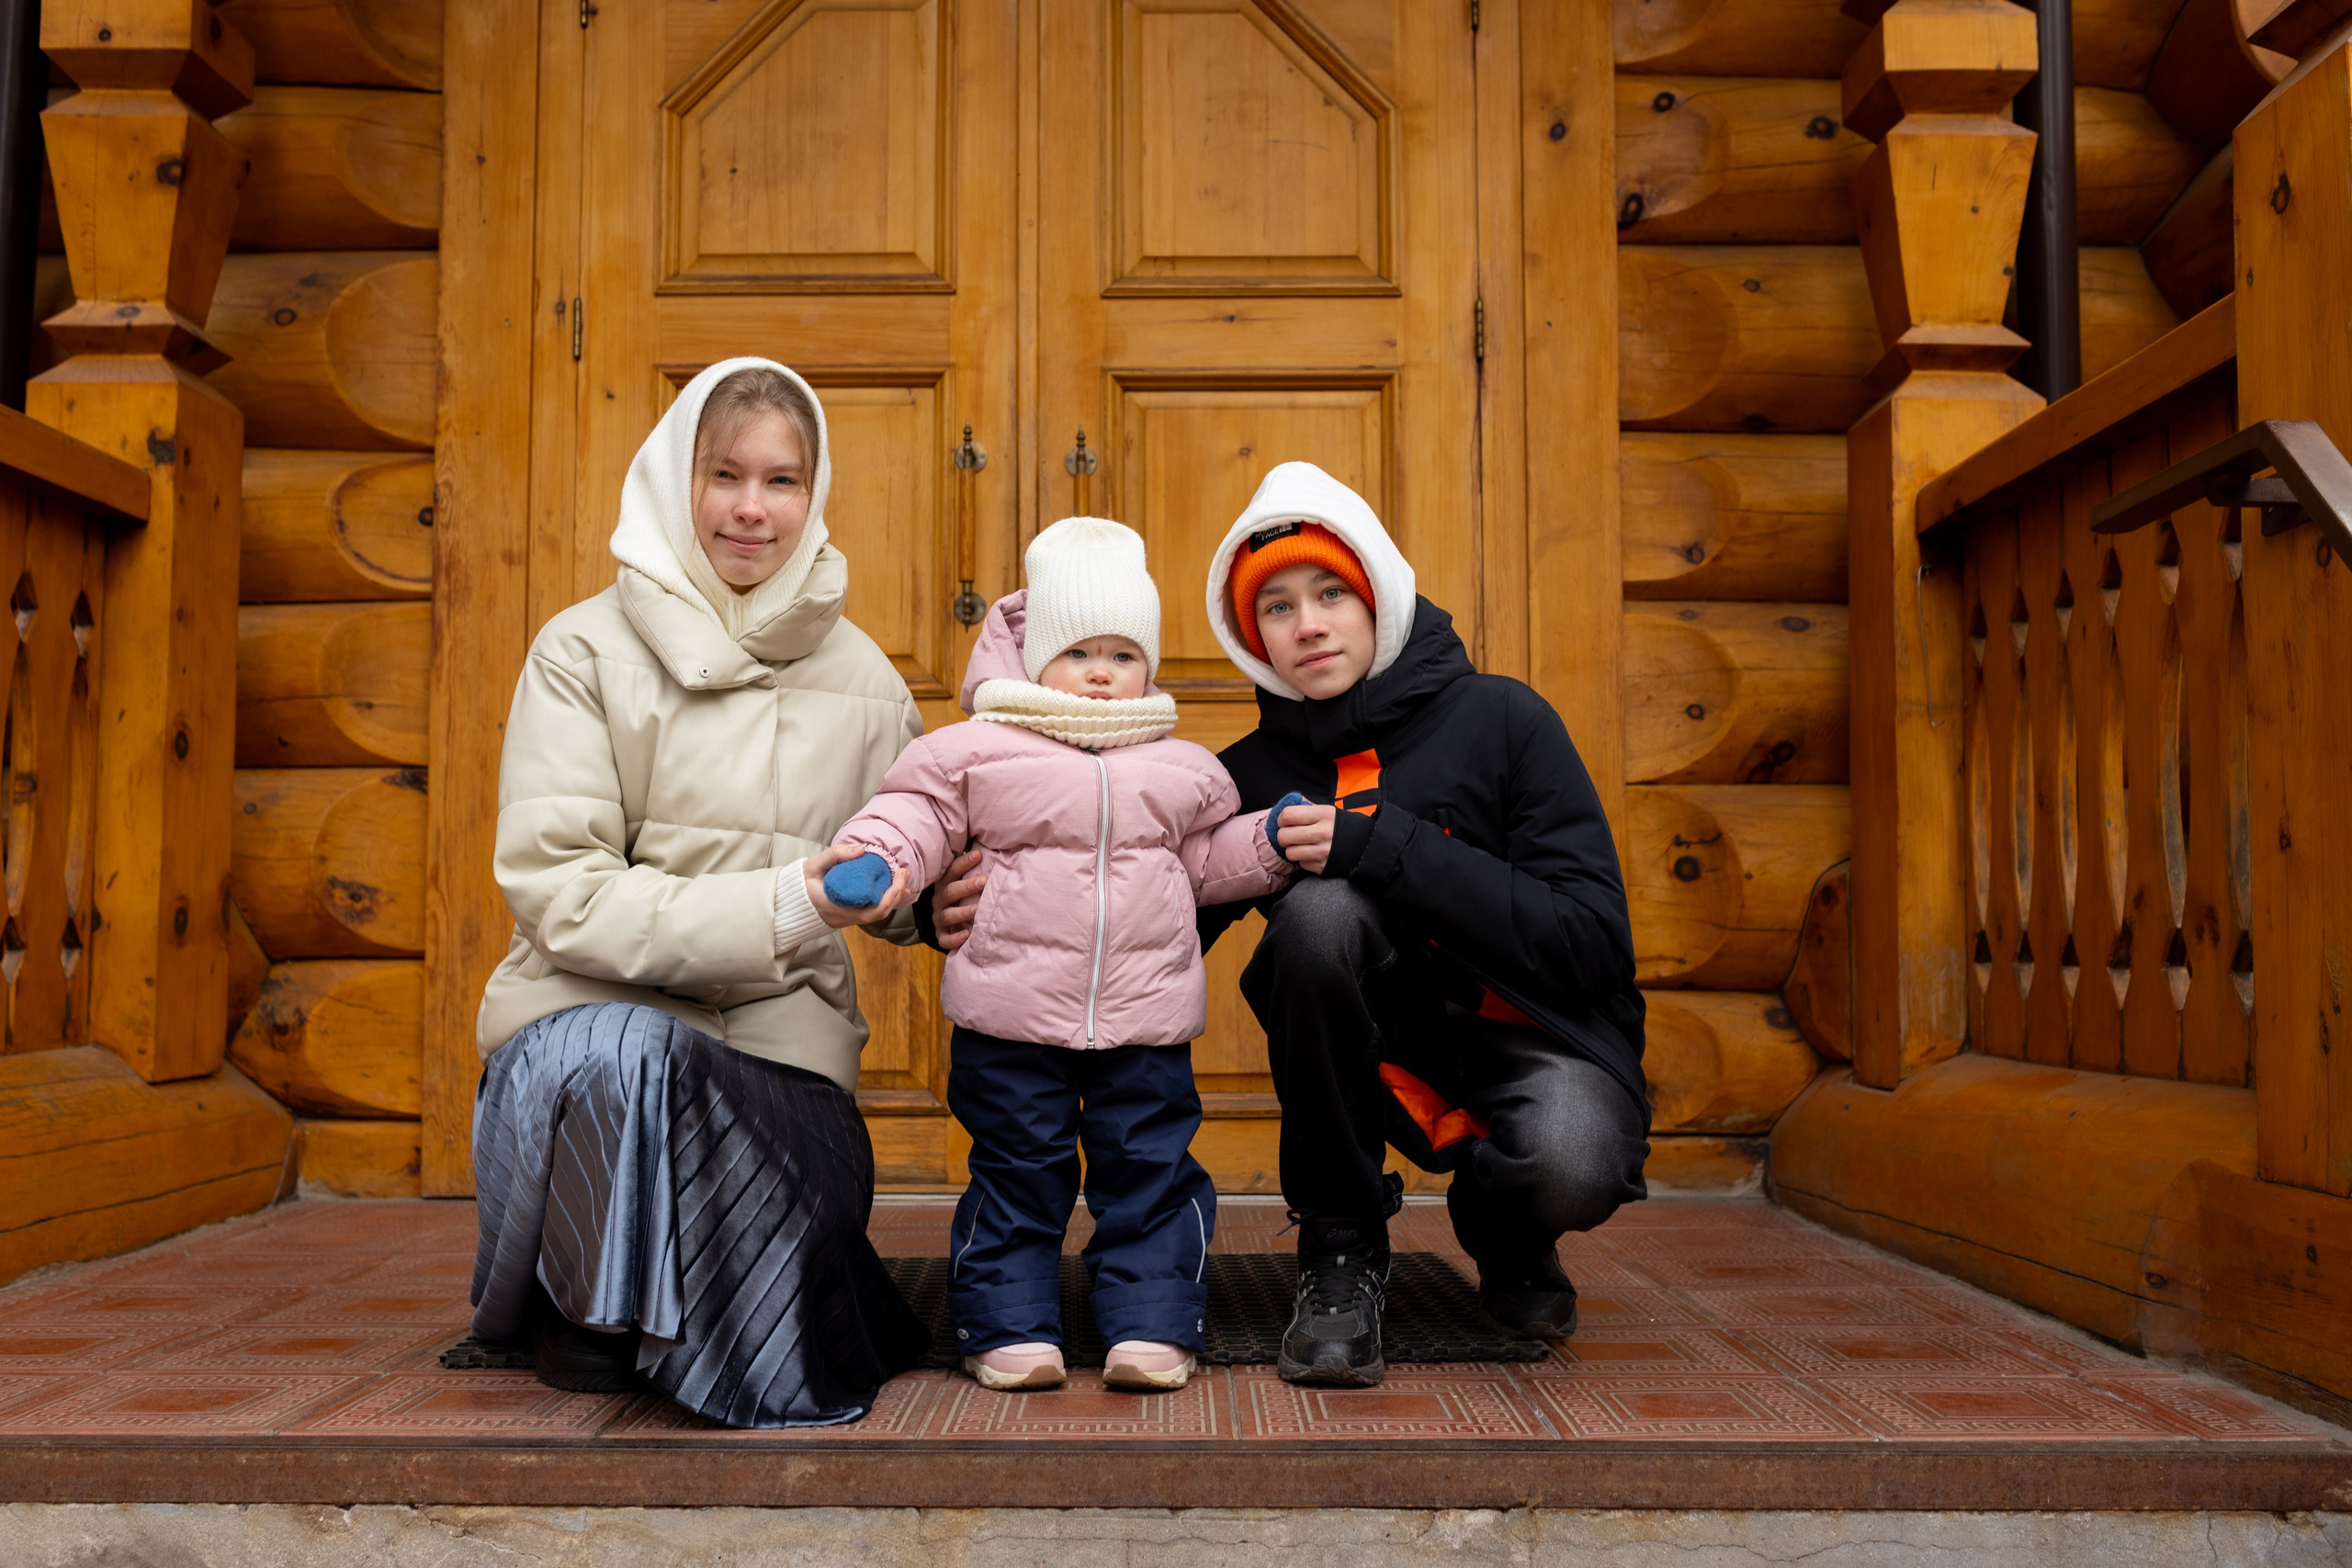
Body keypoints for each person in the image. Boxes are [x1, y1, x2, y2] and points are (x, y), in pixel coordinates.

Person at [931, 462, 1649, 1389]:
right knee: (1317, 917)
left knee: (1572, 1157)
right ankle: (1340, 1248)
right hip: (1370, 1062)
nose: (1306, 625)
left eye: (1330, 594)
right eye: (1275, 608)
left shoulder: (1503, 718)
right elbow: (1136, 906)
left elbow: (1592, 944)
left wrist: (1388, 847)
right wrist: (949, 901)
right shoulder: (1247, 774)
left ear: (1378, 598)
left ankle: (1509, 1236)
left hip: (1534, 1037)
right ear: (1249, 637)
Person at [466, 357, 929, 1428]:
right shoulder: (579, 650)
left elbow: (905, 865)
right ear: (678, 478)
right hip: (584, 1059)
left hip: (777, 1069)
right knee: (629, 1052)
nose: (753, 510)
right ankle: (587, 1299)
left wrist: (933, 897)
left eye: (783, 481)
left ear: (815, 495)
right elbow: (562, 894)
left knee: (748, 1125)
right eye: (726, 475)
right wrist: (785, 906)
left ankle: (663, 1312)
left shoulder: (865, 679)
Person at [833, 518, 1294, 1393]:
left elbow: (1199, 864)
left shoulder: (1179, 767)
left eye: (1123, 655)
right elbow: (915, 815)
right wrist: (878, 861)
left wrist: (1268, 840)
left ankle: (1153, 1324)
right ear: (1035, 656)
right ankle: (1006, 1323)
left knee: (1149, 1170)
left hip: (1145, 1023)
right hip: (1011, 1019)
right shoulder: (973, 750)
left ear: (1148, 668)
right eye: (1078, 650)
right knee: (1017, 1167)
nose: (1100, 672)